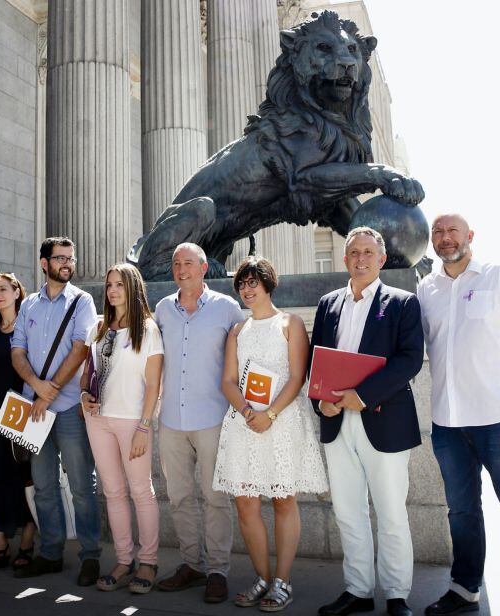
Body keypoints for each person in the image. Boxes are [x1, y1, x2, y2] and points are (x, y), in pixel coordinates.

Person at [418, 214, 500, 616]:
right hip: (448, 421)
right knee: (460, 510)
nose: (445, 238)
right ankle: (464, 588)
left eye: (452, 231)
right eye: (438, 233)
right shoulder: (427, 289)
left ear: (469, 237)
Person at [309, 227, 424, 616]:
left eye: (367, 253)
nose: (360, 258)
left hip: (384, 421)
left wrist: (364, 395)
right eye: (353, 252)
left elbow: (409, 360)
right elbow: (316, 361)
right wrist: (320, 402)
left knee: (391, 513)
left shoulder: (403, 303)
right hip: (337, 422)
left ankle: (396, 595)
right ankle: (357, 591)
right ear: (345, 260)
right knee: (347, 512)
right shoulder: (328, 304)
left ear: (381, 259)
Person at [213, 256, 328, 612]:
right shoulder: (237, 331)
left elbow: (298, 377)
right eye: (242, 284)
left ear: (268, 284)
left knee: (283, 500)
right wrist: (249, 413)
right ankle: (261, 578)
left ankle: (282, 581)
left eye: (253, 283)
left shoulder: (290, 323)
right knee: (246, 502)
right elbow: (228, 381)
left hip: (282, 422)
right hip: (245, 423)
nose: (247, 290)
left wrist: (270, 414)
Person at [154, 242, 244, 603]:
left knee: (216, 497)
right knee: (178, 497)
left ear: (205, 268)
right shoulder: (161, 309)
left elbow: (248, 357)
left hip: (213, 418)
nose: (181, 269)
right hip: (172, 419)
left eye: (188, 263)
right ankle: (192, 564)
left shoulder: (227, 309)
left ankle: (218, 570)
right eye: (176, 263)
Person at [11, 237, 101, 584]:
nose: (67, 263)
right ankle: (50, 553)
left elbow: (80, 350)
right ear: (44, 263)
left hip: (65, 409)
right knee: (44, 485)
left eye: (70, 258)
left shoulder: (82, 301)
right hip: (33, 408)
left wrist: (48, 394)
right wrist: (36, 384)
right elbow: (17, 349)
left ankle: (90, 555)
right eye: (60, 258)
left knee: (81, 485)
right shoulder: (29, 304)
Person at [79, 263, 163, 593]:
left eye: (119, 284)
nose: (113, 290)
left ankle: (149, 561)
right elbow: (88, 374)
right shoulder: (98, 328)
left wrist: (145, 426)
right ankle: (124, 559)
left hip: (132, 422)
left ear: (133, 288)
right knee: (112, 492)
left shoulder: (148, 329)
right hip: (98, 420)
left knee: (141, 491)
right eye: (109, 285)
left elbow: (154, 385)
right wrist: (85, 395)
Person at [0, 273, 37, 573]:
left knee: (23, 475)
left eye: (3, 289)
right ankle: (0, 544)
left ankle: (27, 540)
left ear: (17, 292)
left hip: (22, 409)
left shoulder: (29, 327)